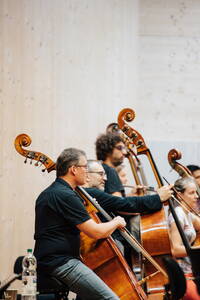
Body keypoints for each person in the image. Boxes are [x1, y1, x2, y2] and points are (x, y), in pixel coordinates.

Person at [34, 148, 127, 300]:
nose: (87, 171)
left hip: (49, 260)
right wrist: (116, 222)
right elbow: (96, 232)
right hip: (61, 263)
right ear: (73, 169)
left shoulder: (50, 192)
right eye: (85, 167)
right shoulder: (66, 195)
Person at [168, 177, 200, 300]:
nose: (196, 196)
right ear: (179, 196)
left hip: (192, 269)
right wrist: (198, 250)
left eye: (196, 192)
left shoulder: (187, 213)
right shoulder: (178, 215)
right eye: (192, 193)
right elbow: (175, 250)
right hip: (184, 275)